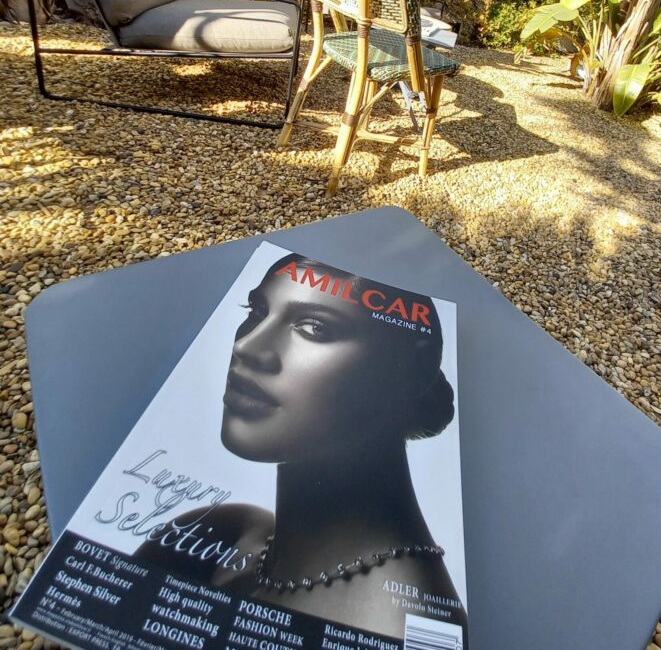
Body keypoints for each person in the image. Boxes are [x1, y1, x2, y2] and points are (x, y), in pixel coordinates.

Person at [137, 253, 467, 639]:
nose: (246, 346)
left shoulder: (401, 626)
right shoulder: (223, 531)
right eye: (257, 312)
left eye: (314, 327)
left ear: (407, 374)